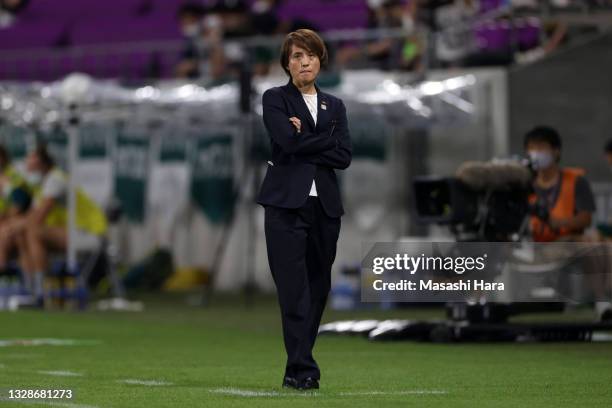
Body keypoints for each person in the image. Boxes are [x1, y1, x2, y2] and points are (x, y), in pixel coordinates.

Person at [257, 29, 352, 391]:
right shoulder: (275, 98)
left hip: (325, 209)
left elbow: (343, 156)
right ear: (286, 64)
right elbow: (286, 141)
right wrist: (322, 139)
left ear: (320, 59)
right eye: (296, 56)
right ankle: (305, 369)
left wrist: (303, 139)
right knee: (294, 290)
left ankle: (295, 366)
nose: (304, 61)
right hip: (285, 207)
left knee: (317, 289)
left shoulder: (336, 105)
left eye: (309, 54)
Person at [525, 126, 595, 242]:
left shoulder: (576, 181)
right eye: (532, 148)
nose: (536, 153)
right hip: (533, 246)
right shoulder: (525, 184)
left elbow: (586, 219)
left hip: (567, 245)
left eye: (541, 147)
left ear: (556, 151)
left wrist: (558, 223)